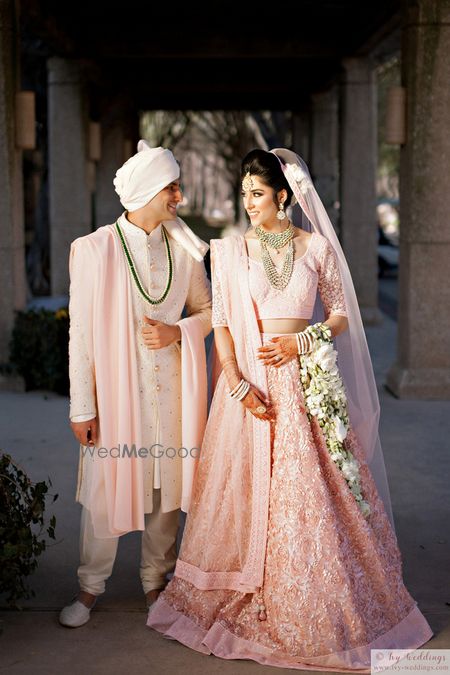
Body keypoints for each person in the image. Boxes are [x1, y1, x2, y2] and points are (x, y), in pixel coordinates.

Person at [146, 148, 433, 671]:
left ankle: (313, 601)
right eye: (244, 194)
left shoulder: (317, 248)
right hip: (251, 389)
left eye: (257, 194)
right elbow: (226, 323)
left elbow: (342, 316)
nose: (249, 203)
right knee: (249, 497)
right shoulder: (233, 253)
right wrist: (236, 384)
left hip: (304, 385)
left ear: (282, 195)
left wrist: (301, 345)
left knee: (312, 499)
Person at [59, 141, 212, 628]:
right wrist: (82, 405)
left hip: (172, 395)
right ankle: (88, 588)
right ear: (147, 190)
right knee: (107, 490)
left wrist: (177, 331)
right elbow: (79, 333)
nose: (179, 197)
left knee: (168, 494)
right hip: (116, 398)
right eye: (172, 187)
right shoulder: (94, 248)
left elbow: (211, 312)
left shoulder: (185, 250)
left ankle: (155, 582)